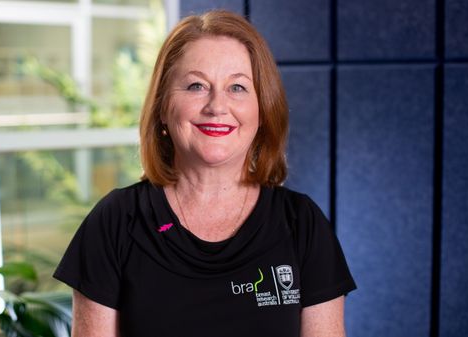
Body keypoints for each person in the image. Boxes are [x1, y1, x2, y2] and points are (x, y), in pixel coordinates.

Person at [54, 10, 356, 337]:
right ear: (162, 109)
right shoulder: (114, 222)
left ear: (262, 110)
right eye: (196, 85)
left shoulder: (302, 224)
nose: (217, 105)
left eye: (237, 87)